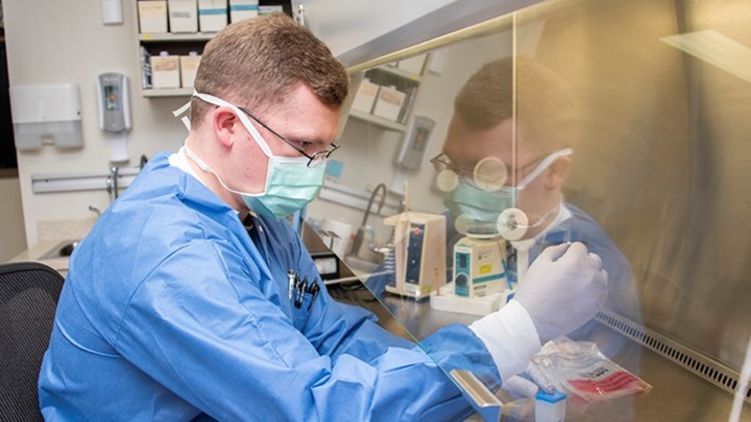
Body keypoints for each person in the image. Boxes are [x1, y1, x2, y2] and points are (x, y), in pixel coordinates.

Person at [38, 15, 607, 420]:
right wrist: (515, 330)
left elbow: (331, 334)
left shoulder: (257, 216)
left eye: (323, 148)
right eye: (302, 145)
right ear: (228, 125)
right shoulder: (167, 255)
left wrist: (468, 363)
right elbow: (317, 410)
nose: (314, 168)